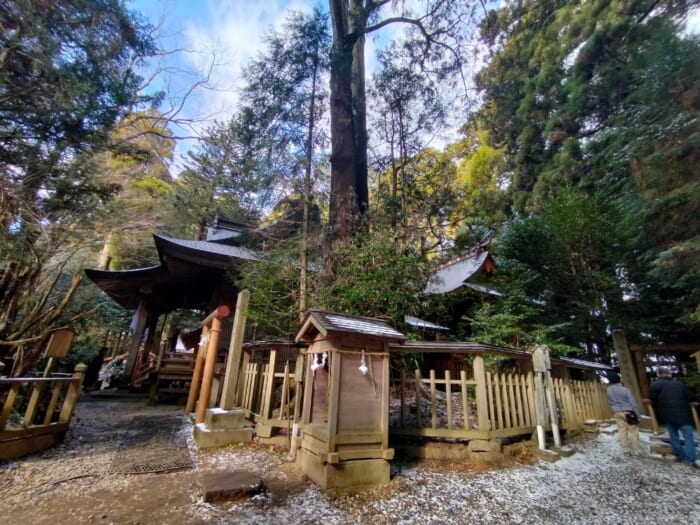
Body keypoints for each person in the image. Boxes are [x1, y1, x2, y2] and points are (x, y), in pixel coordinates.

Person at [649, 365, 698, 468]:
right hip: (683, 414)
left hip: (667, 415)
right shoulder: (679, 384)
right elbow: (691, 397)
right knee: (688, 437)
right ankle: (690, 460)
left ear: (658, 374)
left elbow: (653, 398)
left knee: (673, 436)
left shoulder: (654, 385)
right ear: (669, 374)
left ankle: (680, 456)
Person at [606, 372, 643, 456]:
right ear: (619, 380)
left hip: (617, 412)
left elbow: (610, 402)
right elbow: (633, 404)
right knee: (633, 431)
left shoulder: (609, 390)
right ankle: (636, 450)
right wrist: (638, 415)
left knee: (622, 431)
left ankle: (626, 449)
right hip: (629, 412)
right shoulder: (625, 390)